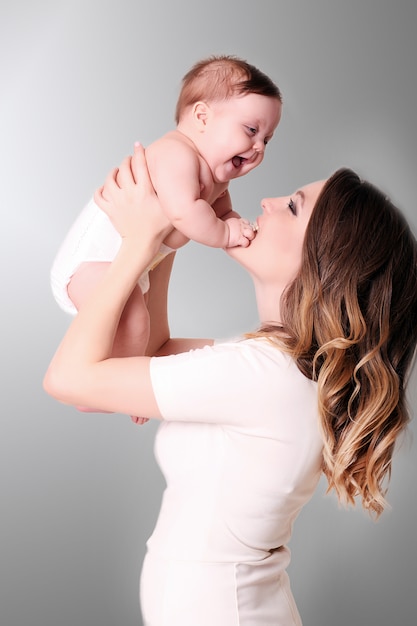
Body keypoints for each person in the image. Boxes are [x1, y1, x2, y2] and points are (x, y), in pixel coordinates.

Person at [43, 144, 417, 625]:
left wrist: (139, 245)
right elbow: (151, 354)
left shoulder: (264, 376)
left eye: (293, 206)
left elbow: (69, 378)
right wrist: (167, 234)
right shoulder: (269, 366)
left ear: (325, 263)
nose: (267, 202)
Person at [50, 55, 282, 369]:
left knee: (139, 328)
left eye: (267, 139)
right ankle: (116, 381)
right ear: (202, 117)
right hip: (91, 262)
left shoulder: (215, 181)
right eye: (251, 130)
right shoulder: (177, 154)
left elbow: (221, 213)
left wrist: (232, 223)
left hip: (131, 267)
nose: (259, 147)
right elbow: (185, 213)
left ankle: (115, 380)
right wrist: (226, 233)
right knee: (135, 323)